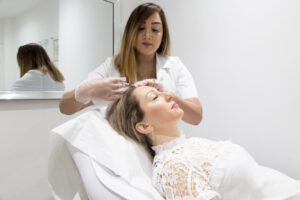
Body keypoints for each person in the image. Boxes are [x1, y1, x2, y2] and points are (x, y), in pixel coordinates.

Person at [106, 85, 300, 200]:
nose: (168, 95)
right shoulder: (171, 167)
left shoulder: (189, 145)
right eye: (154, 97)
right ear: (144, 126)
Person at [59, 3, 202, 125]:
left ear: (163, 34)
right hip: (122, 148)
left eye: (155, 29)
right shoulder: (111, 66)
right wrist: (87, 90)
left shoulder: (174, 66)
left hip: (164, 145)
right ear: (130, 31)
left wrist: (165, 95)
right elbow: (65, 107)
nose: (147, 35)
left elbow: (196, 117)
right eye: (140, 28)